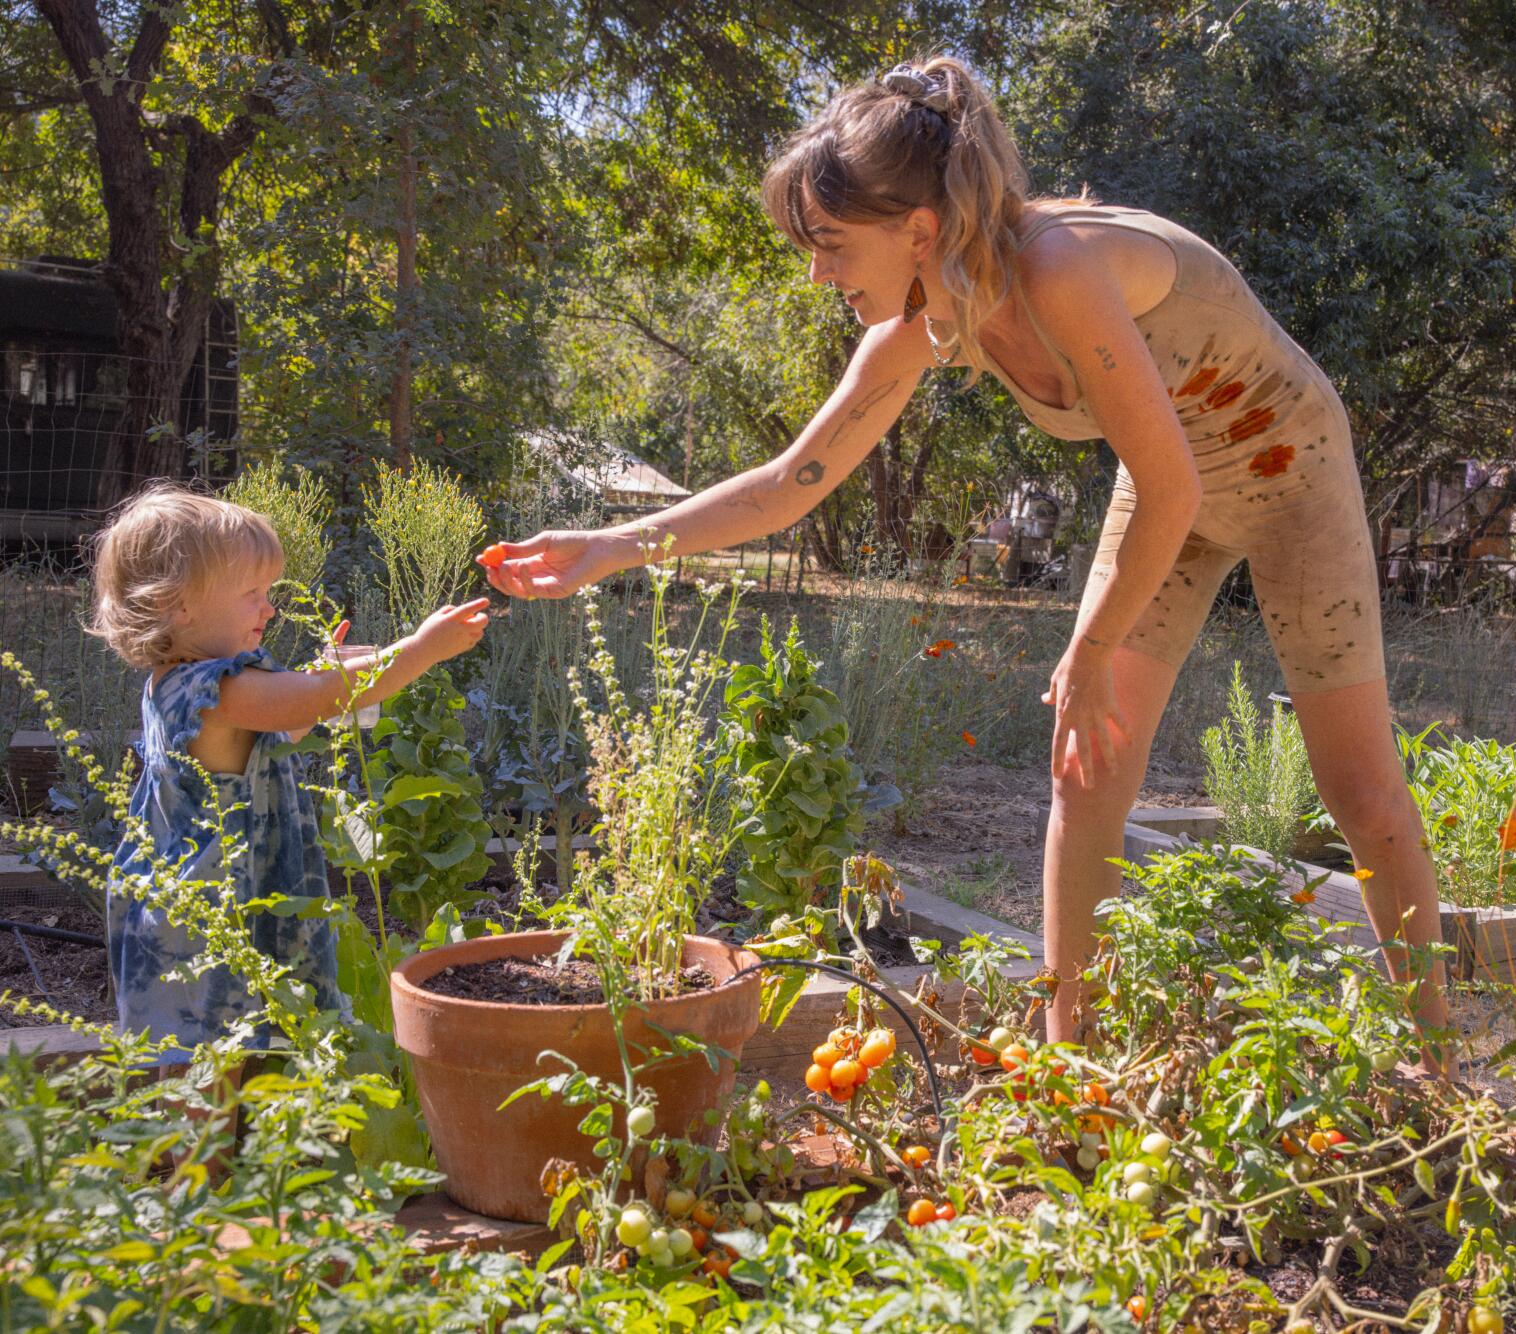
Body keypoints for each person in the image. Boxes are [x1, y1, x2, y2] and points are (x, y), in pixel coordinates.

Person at [480, 56, 1451, 1057]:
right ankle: (1072, 1059)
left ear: (917, 228)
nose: (815, 272)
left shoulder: (1054, 266)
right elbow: (790, 482)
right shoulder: (922, 319)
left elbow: (1173, 487)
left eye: (828, 243)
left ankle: (1434, 1064)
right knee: (1084, 773)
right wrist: (611, 545)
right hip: (1177, 491)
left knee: (1359, 793)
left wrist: (1086, 653)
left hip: (1285, 465)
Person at [91, 483, 491, 1060]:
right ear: (180, 604)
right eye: (253, 593)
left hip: (231, 895)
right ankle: (206, 1153)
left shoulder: (187, 683)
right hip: (215, 910)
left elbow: (283, 728)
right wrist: (420, 648)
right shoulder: (210, 688)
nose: (270, 608)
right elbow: (314, 701)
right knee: (207, 1057)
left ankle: (237, 1147)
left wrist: (320, 679)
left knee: (233, 1051)